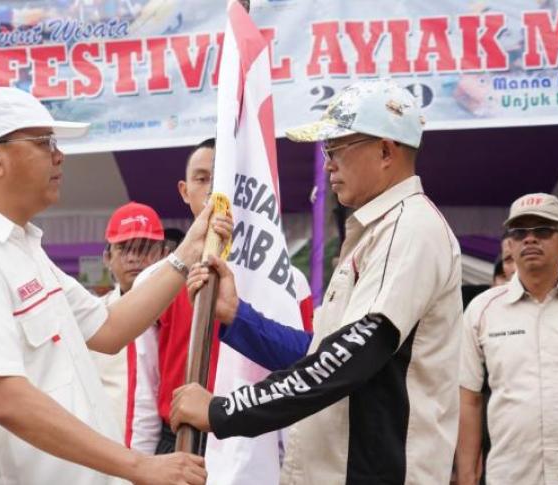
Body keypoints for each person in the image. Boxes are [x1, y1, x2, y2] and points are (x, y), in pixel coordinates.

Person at [0, 87, 229, 484]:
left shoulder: (21, 250)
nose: (59, 156)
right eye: (44, 143)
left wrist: (188, 250)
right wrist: (140, 465)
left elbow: (109, 328)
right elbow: (7, 399)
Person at [171, 79, 464, 484]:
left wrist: (224, 411)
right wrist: (237, 316)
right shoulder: (375, 234)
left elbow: (348, 357)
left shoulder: (410, 228)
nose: (327, 164)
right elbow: (317, 353)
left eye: (336, 148)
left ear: (385, 150)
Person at [127, 138, 315, 455]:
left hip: (256, 442)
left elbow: (307, 372)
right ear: (185, 191)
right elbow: (145, 390)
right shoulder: (155, 282)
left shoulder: (289, 282)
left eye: (226, 180)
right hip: (181, 440)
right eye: (203, 179)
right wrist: (140, 465)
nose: (216, 192)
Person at [457, 193, 558, 485]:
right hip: (510, 476)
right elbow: (468, 400)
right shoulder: (482, 310)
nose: (530, 239)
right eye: (520, 232)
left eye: (543, 231)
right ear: (509, 244)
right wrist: (468, 477)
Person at [92, 201, 166, 438]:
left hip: (173, 447)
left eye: (143, 248)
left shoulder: (187, 313)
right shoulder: (92, 316)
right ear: (107, 258)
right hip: (109, 448)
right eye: (124, 248)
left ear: (163, 255)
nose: (134, 258)